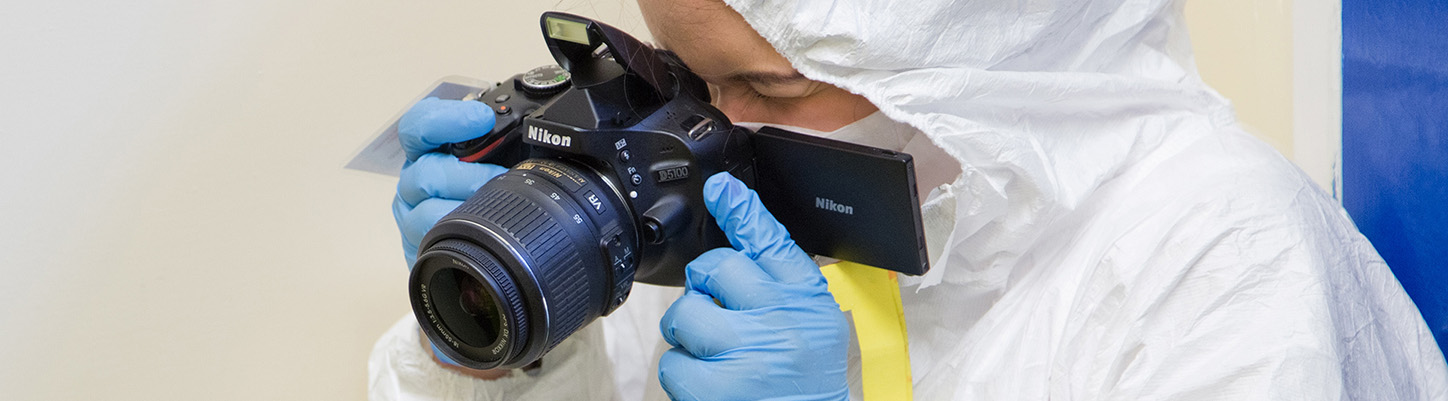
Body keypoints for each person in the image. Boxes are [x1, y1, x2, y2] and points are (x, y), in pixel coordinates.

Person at [372, 0, 1448, 399]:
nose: (714, 125)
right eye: (687, 75)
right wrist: (510, 355)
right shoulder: (743, 208)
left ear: (978, 60)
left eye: (774, 87)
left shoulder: (1224, 261)